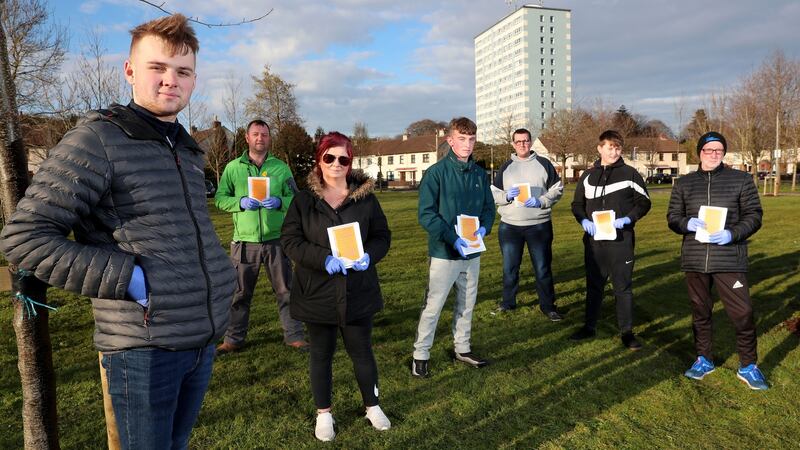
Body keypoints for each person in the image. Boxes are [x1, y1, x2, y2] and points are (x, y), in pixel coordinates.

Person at [0, 14, 236, 449]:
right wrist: (129, 278)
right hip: (142, 348)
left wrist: (223, 282)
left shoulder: (185, 145)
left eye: (182, 71)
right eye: (157, 67)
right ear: (129, 71)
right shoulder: (98, 140)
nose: (171, 80)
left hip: (199, 338)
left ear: (194, 80)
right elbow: (24, 237)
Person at [281, 132, 392, 441]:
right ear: (320, 159)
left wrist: (370, 255)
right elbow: (290, 240)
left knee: (362, 352)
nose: (336, 164)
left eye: (343, 159)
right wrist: (323, 259)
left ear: (350, 163)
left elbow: (382, 235)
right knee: (321, 354)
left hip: (358, 290)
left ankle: (372, 405)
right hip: (318, 291)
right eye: (330, 157)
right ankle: (324, 414)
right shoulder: (304, 200)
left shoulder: (366, 199)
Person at [667, 131, 767, 390]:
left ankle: (748, 365)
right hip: (695, 259)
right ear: (699, 153)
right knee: (701, 311)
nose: (714, 154)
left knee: (743, 312)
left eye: (719, 150)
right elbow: (673, 217)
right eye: (709, 150)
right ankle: (704, 359)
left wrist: (732, 234)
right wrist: (685, 223)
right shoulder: (684, 184)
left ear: (723, 153)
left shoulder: (741, 180)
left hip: (729, 258)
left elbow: (754, 215)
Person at [411, 117, 495, 377]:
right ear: (450, 140)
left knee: (467, 302)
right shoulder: (435, 174)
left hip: (472, 252)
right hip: (444, 253)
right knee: (433, 305)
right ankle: (421, 353)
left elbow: (488, 209)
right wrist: (452, 238)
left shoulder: (480, 174)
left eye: (471, 139)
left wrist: (483, 228)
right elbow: (426, 214)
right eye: (461, 139)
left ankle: (462, 347)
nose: (467, 144)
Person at [214, 119, 307, 353]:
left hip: (277, 240)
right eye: (255, 134)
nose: (260, 138)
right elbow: (220, 199)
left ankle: (294, 336)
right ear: (247, 138)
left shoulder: (281, 168)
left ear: (269, 138)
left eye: (264, 135)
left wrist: (279, 202)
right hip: (244, 242)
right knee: (239, 294)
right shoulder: (233, 168)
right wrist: (240, 203)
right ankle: (233, 340)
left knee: (286, 291)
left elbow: (297, 199)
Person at [570, 130, 651, 350]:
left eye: (617, 148)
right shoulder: (587, 176)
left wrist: (628, 219)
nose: (614, 152)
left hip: (621, 242)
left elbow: (644, 203)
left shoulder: (630, 174)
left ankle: (626, 332)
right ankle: (589, 327)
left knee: (622, 288)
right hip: (594, 242)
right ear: (600, 148)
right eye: (610, 147)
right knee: (594, 286)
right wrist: (583, 221)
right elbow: (577, 205)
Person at [491, 128, 564, 320]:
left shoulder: (544, 164)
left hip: (538, 225)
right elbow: (494, 193)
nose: (522, 144)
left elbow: (557, 190)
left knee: (542, 267)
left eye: (525, 141)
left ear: (530, 142)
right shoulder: (506, 167)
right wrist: (506, 196)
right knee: (510, 268)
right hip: (510, 226)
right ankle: (507, 303)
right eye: (518, 141)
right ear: (513, 144)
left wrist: (541, 201)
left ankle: (548, 306)